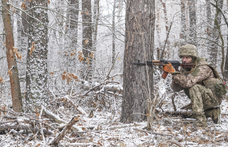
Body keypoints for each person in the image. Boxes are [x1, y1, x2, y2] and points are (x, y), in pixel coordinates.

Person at [163, 44, 226, 127]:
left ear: (193, 58)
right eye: (182, 57)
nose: (184, 60)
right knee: (183, 113)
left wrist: (174, 73)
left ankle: (201, 121)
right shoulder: (185, 69)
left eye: (187, 57)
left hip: (213, 99)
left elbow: (188, 82)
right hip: (201, 101)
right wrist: (175, 77)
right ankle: (213, 112)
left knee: (194, 87)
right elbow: (176, 88)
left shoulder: (203, 68)